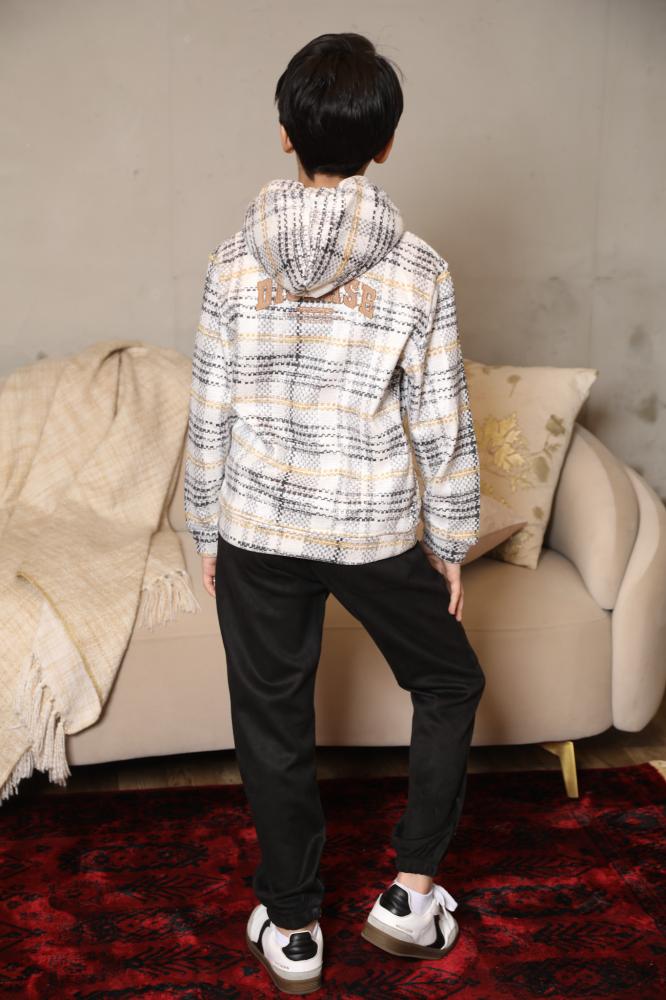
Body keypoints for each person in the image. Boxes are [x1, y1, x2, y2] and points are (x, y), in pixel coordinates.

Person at [184, 30, 486, 996]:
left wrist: (205, 529)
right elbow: (441, 422)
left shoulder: (233, 261)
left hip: (259, 528)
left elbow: (210, 409)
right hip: (372, 527)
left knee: (272, 720)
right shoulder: (421, 268)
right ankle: (410, 895)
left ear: (285, 134)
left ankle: (294, 927)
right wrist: (452, 545)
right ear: (385, 143)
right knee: (449, 682)